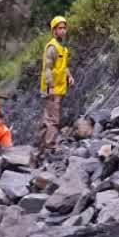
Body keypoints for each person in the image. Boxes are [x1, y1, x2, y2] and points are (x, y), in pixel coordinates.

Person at [40, 16, 74, 155]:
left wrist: (69, 76)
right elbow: (47, 69)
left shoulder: (62, 48)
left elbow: (63, 66)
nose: (63, 31)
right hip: (52, 89)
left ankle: (41, 146)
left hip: (59, 89)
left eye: (64, 28)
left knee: (48, 118)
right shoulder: (52, 47)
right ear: (54, 31)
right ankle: (50, 146)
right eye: (60, 28)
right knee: (53, 119)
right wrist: (51, 87)